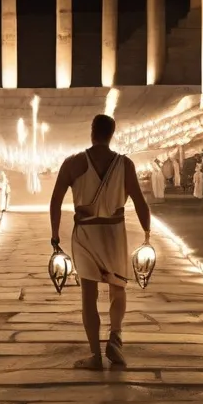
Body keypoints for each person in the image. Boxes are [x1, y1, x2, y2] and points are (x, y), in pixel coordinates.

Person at [49, 113, 151, 370]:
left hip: (85, 233)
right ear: (112, 134)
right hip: (114, 232)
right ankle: (115, 336)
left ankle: (95, 355)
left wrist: (55, 236)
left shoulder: (73, 163)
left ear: (92, 131)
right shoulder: (125, 164)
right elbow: (139, 200)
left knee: (88, 294)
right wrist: (147, 233)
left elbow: (56, 200)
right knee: (118, 288)